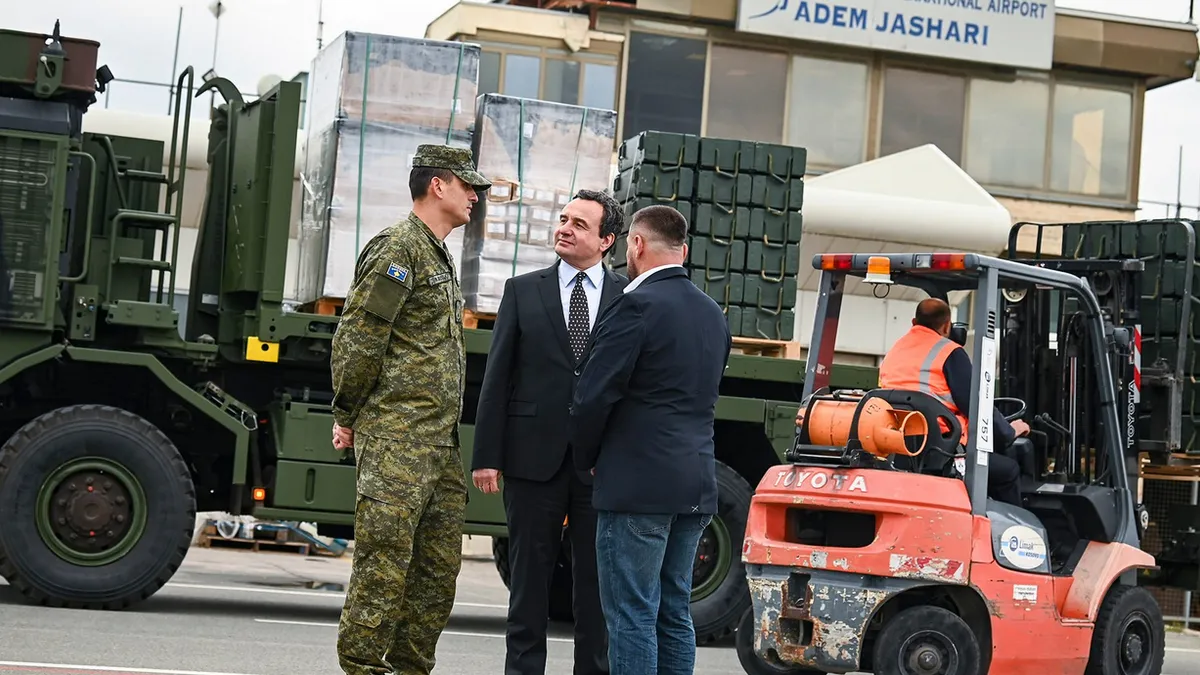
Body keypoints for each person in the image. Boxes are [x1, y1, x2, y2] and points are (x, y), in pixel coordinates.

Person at [328, 144, 492, 675]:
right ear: (437, 185)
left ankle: (410, 667)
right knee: (384, 562)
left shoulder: (435, 251)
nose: (475, 195)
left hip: (437, 442)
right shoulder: (399, 248)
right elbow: (360, 335)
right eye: (468, 185)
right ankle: (361, 667)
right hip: (398, 438)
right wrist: (347, 412)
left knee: (437, 570)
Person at [569, 204, 731, 674]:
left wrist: (589, 457)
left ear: (635, 244)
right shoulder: (711, 314)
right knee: (673, 612)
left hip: (637, 484)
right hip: (695, 483)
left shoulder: (635, 305)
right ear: (685, 250)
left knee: (631, 614)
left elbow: (593, 397)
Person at [470, 189, 627, 675]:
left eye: (580, 224)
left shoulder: (629, 298)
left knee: (595, 589)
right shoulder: (523, 290)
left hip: (600, 465)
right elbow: (497, 378)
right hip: (530, 460)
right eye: (563, 219)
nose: (564, 228)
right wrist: (486, 455)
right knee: (528, 584)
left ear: (607, 240)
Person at [876, 298, 1030, 505]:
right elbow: (975, 405)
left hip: (897, 445)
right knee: (1008, 471)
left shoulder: (893, 352)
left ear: (914, 322)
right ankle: (1012, 533)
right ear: (947, 325)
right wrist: (1008, 431)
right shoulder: (950, 352)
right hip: (941, 451)